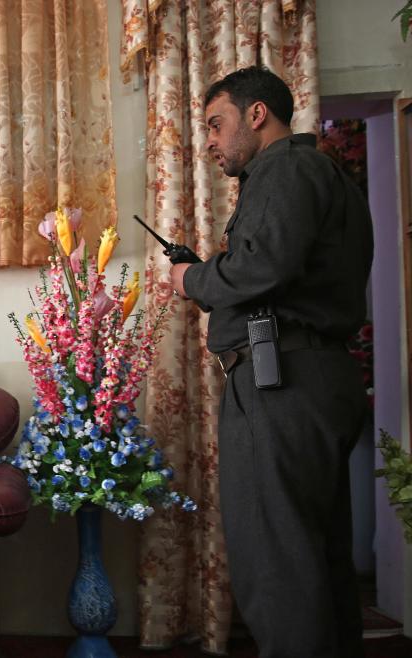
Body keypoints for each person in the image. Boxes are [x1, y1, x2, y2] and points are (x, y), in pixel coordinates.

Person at [170, 66, 373, 657]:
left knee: (275, 563)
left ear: (257, 115)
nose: (209, 141)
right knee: (316, 558)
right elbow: (282, 266)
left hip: (280, 383)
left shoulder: (283, 166)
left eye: (216, 124)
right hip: (317, 378)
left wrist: (193, 279)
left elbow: (262, 266)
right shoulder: (322, 171)